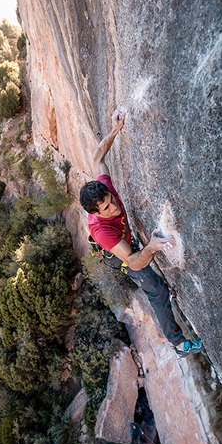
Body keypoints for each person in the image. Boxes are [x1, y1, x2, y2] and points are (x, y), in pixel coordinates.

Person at [80, 109, 203, 358]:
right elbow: (133, 261)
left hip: (126, 240)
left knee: (145, 260)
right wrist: (152, 247)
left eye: (112, 200)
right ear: (97, 213)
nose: (114, 206)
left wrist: (115, 130)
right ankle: (179, 345)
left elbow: (97, 158)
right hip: (120, 255)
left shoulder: (104, 189)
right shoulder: (102, 231)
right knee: (157, 290)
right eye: (106, 208)